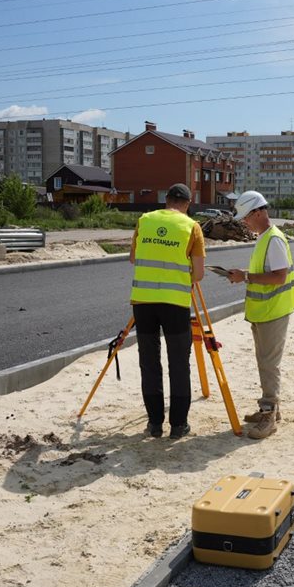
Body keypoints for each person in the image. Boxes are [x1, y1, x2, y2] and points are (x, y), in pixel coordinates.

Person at [129, 183, 205, 439]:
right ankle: (178, 425)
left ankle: (154, 424)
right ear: (187, 203)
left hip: (143, 302)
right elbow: (200, 273)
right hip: (175, 304)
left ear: (166, 200)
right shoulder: (191, 226)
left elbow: (133, 258)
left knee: (149, 363)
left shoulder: (144, 220)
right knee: (178, 364)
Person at [226, 190, 294, 440]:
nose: (245, 222)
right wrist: (244, 274)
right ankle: (270, 409)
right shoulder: (264, 238)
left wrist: (246, 277)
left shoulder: (274, 239)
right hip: (264, 312)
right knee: (264, 362)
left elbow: (279, 277)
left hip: (273, 311)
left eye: (247, 217)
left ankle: (269, 415)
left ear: (258, 212)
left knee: (269, 365)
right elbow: (267, 271)